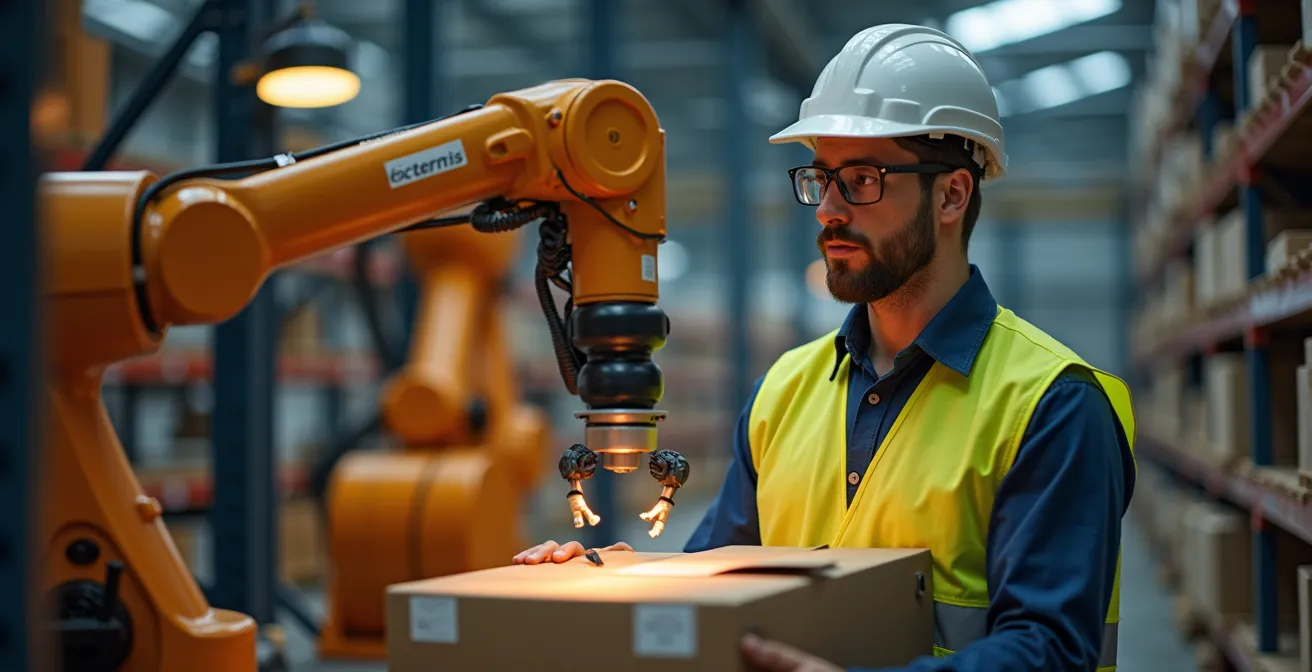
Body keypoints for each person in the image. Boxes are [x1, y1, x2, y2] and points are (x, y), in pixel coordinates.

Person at [513, 23, 1136, 672]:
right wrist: (608, 576)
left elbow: (1052, 654)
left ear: (952, 194)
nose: (827, 209)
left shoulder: (1053, 405)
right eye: (821, 178)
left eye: (862, 178)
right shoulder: (782, 391)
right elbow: (718, 574)